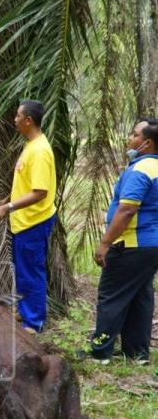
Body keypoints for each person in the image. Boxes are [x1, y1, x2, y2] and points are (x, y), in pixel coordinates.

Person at [90, 119, 158, 365]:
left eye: (134, 134)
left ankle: (100, 351)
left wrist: (105, 243)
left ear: (146, 143)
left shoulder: (141, 170)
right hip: (152, 246)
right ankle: (137, 353)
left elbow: (127, 209)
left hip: (131, 243)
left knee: (111, 295)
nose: (129, 138)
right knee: (141, 295)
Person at [0, 100, 56, 333]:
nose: (14, 120)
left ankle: (33, 322)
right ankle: (26, 310)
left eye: (18, 116)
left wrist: (8, 208)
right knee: (24, 270)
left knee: (31, 271)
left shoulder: (39, 152)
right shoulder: (31, 145)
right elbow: (28, 184)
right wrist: (8, 201)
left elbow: (40, 192)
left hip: (34, 221)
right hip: (24, 221)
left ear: (29, 120)